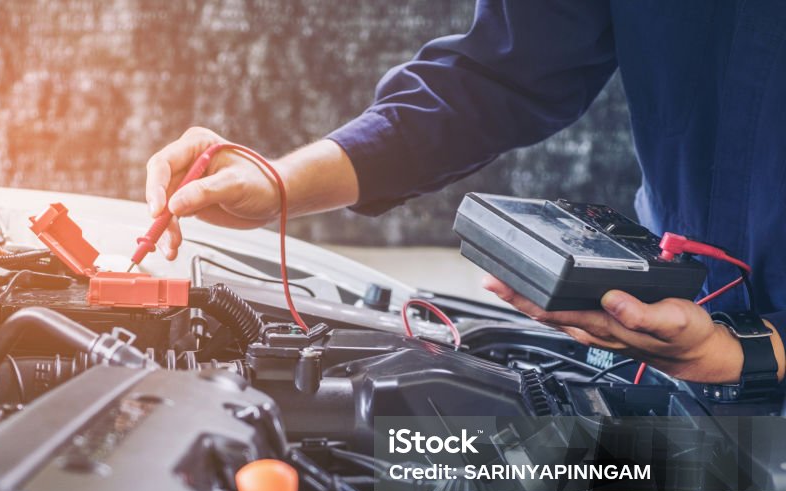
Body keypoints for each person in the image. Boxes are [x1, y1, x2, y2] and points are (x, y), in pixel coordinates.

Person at [143, 0, 786, 386]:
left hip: (721, 351)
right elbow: (498, 74)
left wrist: (753, 351)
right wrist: (280, 183)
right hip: (664, 339)